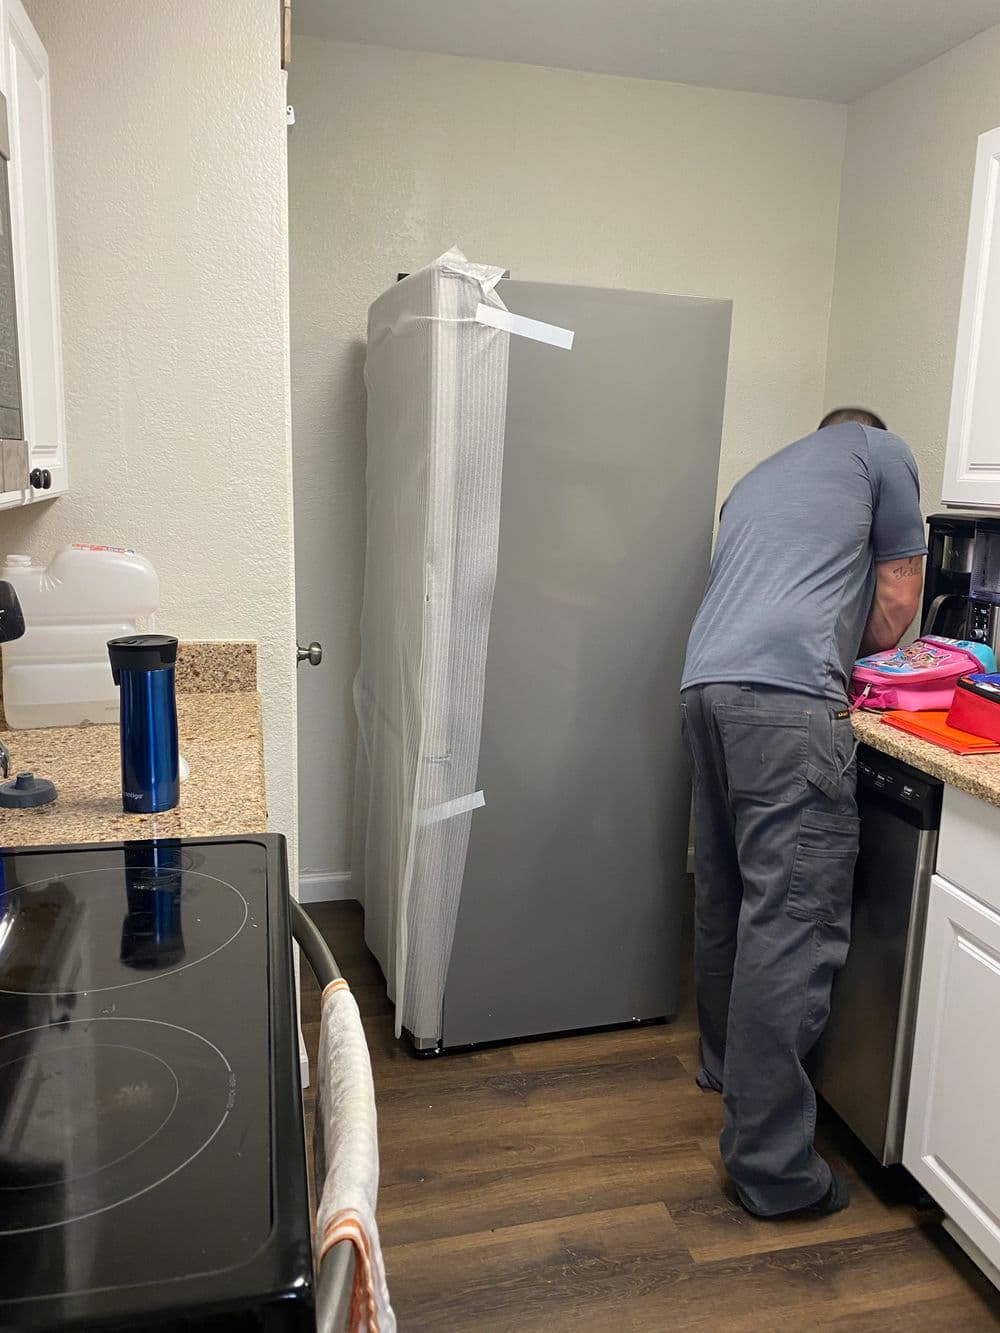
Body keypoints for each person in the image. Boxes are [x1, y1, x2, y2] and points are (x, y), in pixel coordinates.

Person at [680, 406, 926, 1219]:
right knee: (791, 920)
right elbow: (896, 598)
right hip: (786, 701)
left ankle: (726, 1066)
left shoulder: (757, 479)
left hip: (706, 687)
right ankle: (772, 1167)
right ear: (868, 429)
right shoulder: (883, 452)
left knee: (729, 893)